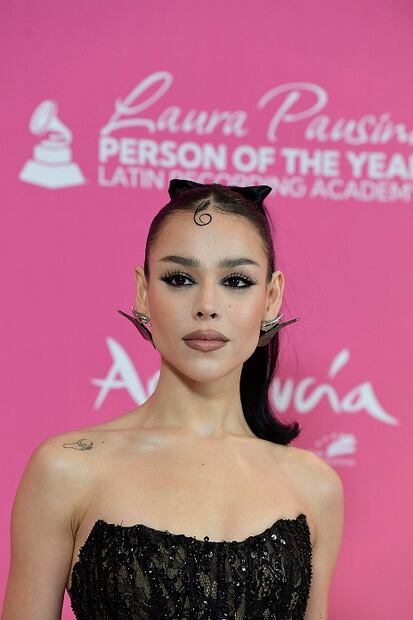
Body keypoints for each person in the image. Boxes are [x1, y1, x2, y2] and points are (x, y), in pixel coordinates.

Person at [2, 179, 344, 619]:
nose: (207, 305)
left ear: (271, 297)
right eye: (180, 279)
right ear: (144, 292)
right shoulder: (66, 468)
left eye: (236, 281)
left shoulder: (314, 487)